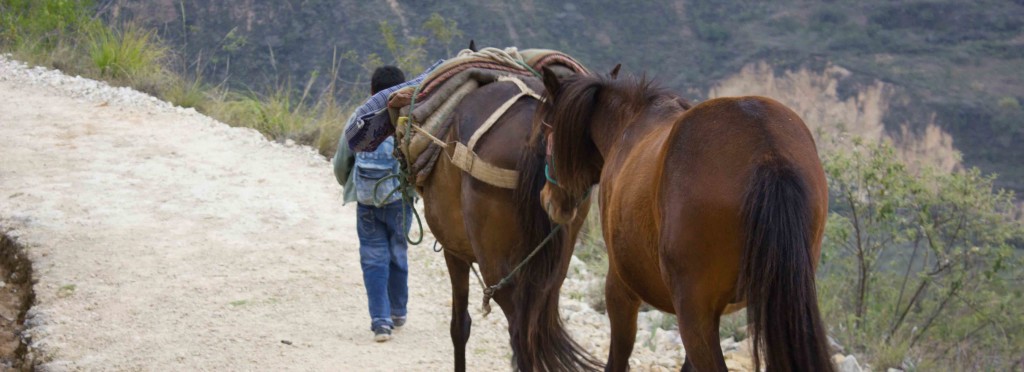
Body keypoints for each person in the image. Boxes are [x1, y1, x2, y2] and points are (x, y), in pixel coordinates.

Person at [332, 61, 441, 342]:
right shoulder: (410, 120)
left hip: (367, 202)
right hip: (400, 202)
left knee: (373, 257)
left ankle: (380, 322)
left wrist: (352, 186)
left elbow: (341, 163)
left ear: (372, 91)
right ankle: (398, 312)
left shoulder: (360, 117)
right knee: (397, 252)